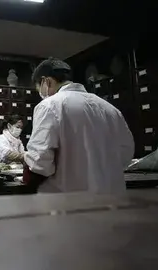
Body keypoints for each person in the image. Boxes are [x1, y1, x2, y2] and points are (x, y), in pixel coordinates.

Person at [24, 57, 134, 194]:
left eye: (39, 88)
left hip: (67, 202)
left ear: (46, 81)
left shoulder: (49, 105)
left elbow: (40, 161)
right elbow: (126, 153)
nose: (41, 94)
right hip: (111, 199)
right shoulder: (110, 109)